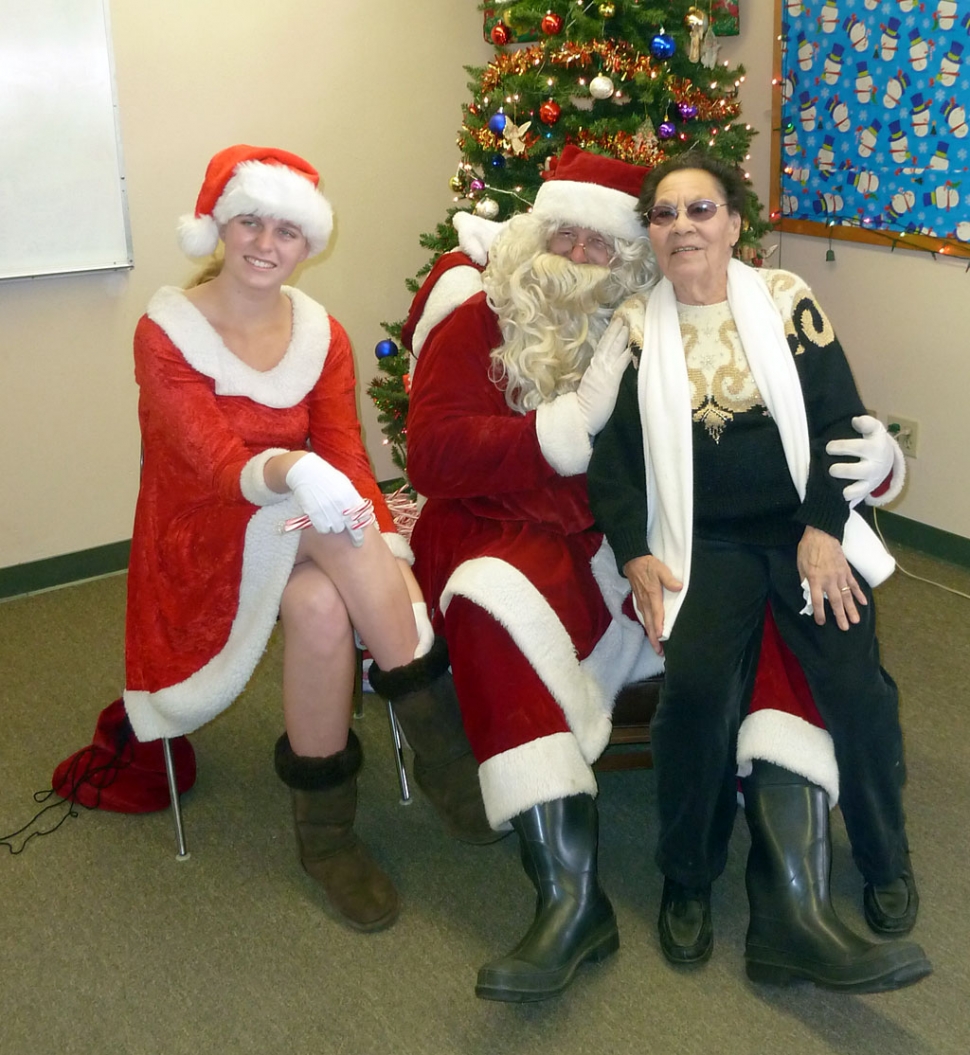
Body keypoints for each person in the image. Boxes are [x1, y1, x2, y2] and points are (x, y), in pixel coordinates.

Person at [403, 146, 913, 1000]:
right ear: (534, 234)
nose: (578, 255)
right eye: (563, 233)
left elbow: (830, 417)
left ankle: (801, 892)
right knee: (549, 632)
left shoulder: (708, 309)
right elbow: (455, 451)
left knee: (822, 653)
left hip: (723, 532)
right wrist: (570, 454)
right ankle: (584, 898)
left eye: (602, 243)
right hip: (580, 539)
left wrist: (852, 493)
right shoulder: (500, 318)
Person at [54, 144, 494, 934]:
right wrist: (298, 470)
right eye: (250, 221)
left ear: (308, 242)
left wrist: (360, 517)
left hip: (300, 521)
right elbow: (217, 466)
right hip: (204, 530)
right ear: (219, 227)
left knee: (326, 607)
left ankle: (324, 837)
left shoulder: (321, 332)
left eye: (287, 230)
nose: (266, 243)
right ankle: (447, 757)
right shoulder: (166, 333)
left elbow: (347, 453)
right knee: (343, 541)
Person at [587, 149, 931, 990]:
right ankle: (688, 873)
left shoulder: (787, 303)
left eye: (699, 210)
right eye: (664, 215)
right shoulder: (635, 325)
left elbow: (844, 424)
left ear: (735, 223)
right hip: (706, 541)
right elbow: (610, 460)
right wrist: (634, 548)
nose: (681, 228)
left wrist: (823, 527)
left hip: (802, 528)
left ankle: (886, 857)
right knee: (696, 696)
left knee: (854, 684)